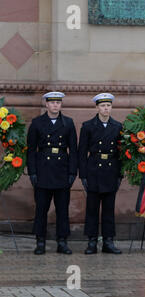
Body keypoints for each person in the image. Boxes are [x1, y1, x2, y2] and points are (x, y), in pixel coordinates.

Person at [27, 92, 78, 255]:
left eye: (58, 102)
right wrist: (32, 171)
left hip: (61, 170)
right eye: (52, 102)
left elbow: (74, 151)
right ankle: (40, 241)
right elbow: (31, 151)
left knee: (62, 209)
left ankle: (62, 241)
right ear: (46, 105)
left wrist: (72, 172)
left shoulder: (68, 123)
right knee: (41, 208)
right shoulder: (37, 123)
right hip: (43, 170)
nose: (55, 105)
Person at [78, 93, 123, 254]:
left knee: (109, 209)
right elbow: (81, 153)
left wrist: (120, 175)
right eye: (103, 106)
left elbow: (121, 153)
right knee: (92, 208)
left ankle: (108, 241)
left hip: (111, 171)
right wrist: (82, 175)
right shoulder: (88, 126)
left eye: (108, 105)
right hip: (93, 170)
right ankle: (91, 241)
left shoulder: (117, 126)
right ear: (97, 107)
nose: (106, 108)